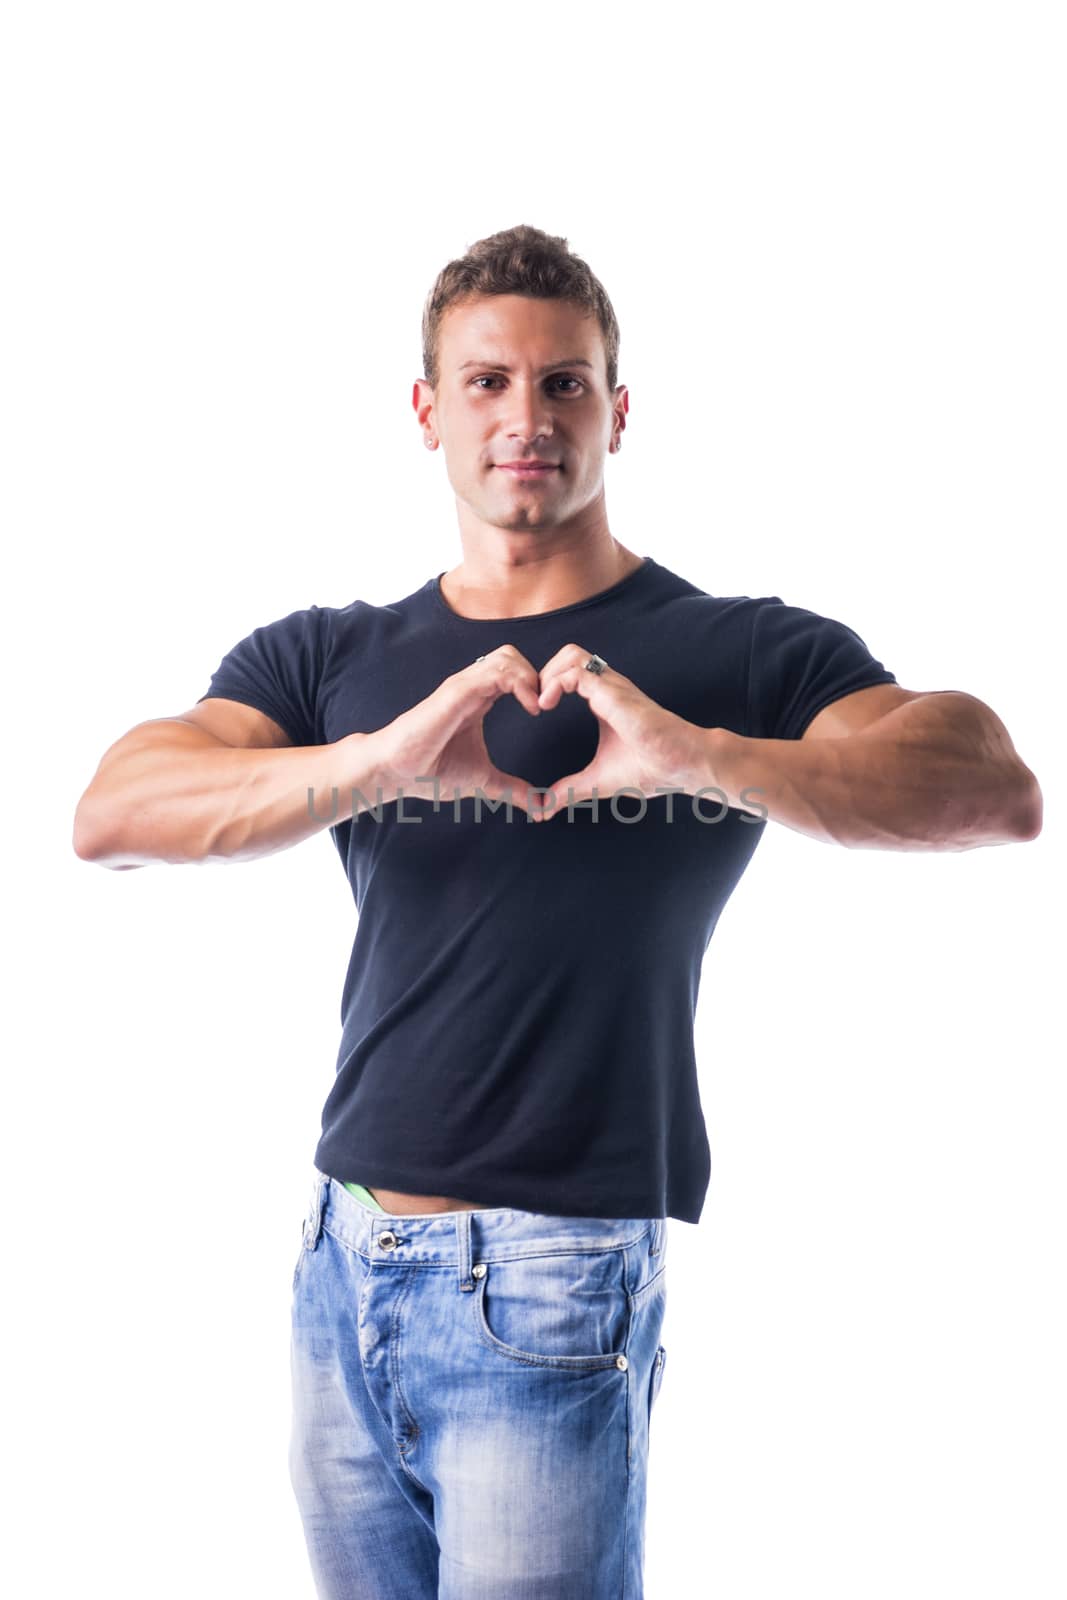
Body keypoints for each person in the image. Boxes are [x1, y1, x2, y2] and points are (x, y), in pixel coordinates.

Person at [72, 223, 1042, 1599]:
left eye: (563, 383)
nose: (525, 416)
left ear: (618, 410)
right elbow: (114, 812)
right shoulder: (339, 655)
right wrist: (379, 762)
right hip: (341, 1264)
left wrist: (705, 755)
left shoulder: (732, 650)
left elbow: (990, 784)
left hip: (553, 1279)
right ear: (427, 411)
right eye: (485, 382)